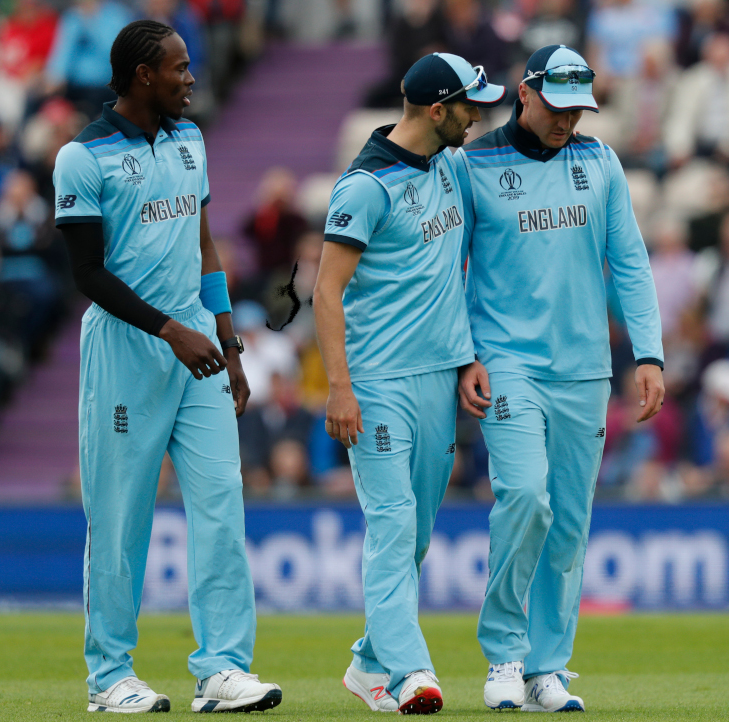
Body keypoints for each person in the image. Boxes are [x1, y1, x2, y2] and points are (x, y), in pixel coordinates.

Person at [52, 20, 281, 714]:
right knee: (121, 519)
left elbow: (206, 246)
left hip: (200, 355)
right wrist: (169, 329)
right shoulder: (81, 158)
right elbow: (86, 274)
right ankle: (109, 676)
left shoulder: (191, 140)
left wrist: (229, 341)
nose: (191, 77)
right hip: (128, 353)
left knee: (221, 505)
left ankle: (221, 670)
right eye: (180, 69)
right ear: (142, 75)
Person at [453, 45, 664, 712]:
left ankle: (549, 667)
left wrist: (650, 354)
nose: (568, 121)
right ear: (526, 92)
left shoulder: (599, 162)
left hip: (583, 369)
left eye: (579, 110)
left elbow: (628, 259)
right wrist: (465, 355)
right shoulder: (472, 164)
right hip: (508, 362)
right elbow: (444, 272)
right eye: (558, 106)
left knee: (570, 524)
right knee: (525, 498)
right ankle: (505, 656)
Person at [312, 52, 506, 715]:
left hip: (435, 377)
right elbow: (326, 292)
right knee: (393, 524)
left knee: (417, 531)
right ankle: (410, 672)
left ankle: (368, 663)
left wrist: (467, 354)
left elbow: (451, 272)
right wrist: (340, 388)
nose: (477, 116)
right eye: (469, 105)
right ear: (435, 110)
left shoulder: (451, 163)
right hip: (377, 381)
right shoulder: (365, 185)